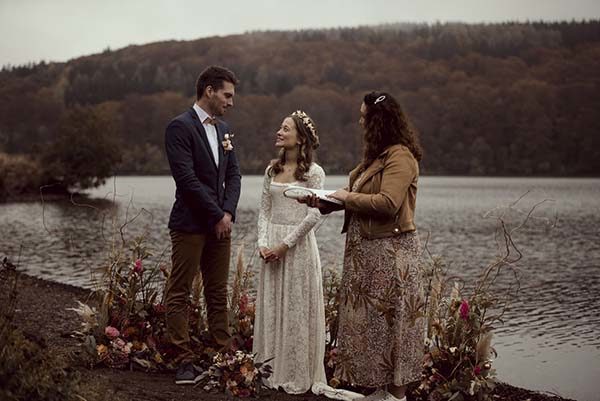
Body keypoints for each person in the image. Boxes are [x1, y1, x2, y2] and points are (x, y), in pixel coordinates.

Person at [304, 92, 425, 401]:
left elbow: (387, 203)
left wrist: (344, 198)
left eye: (364, 117)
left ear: (379, 121)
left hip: (390, 256)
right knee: (374, 328)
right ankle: (381, 391)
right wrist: (328, 202)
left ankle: (396, 396)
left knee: (393, 325)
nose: (360, 122)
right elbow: (356, 194)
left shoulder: (402, 156)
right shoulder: (377, 157)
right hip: (367, 257)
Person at [253, 110, 362, 401]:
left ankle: (296, 371)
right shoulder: (271, 170)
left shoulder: (315, 173)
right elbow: (264, 209)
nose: (279, 132)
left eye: (285, 128)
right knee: (273, 305)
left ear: (300, 138)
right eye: (280, 127)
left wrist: (284, 245)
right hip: (271, 247)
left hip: (297, 247)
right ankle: (268, 369)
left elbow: (315, 215)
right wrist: (263, 243)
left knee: (296, 307)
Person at [164, 65, 241, 384]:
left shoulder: (224, 129)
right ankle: (182, 359)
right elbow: (186, 179)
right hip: (190, 224)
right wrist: (216, 215)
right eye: (227, 95)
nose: (231, 102)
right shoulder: (179, 127)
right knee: (180, 291)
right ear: (209, 91)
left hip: (221, 224)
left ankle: (224, 354)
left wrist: (229, 213)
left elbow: (234, 175)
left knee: (217, 292)